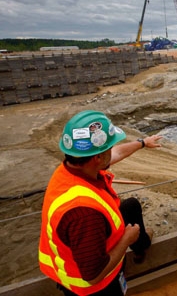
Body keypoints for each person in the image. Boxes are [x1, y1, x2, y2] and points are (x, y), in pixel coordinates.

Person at [38, 110, 162, 296]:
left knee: (130, 206)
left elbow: (115, 154)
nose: (112, 151)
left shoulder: (71, 169)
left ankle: (140, 246)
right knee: (131, 219)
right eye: (108, 149)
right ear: (97, 158)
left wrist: (142, 143)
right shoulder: (84, 214)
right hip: (96, 289)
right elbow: (93, 275)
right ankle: (138, 243)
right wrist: (127, 238)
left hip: (76, 258)